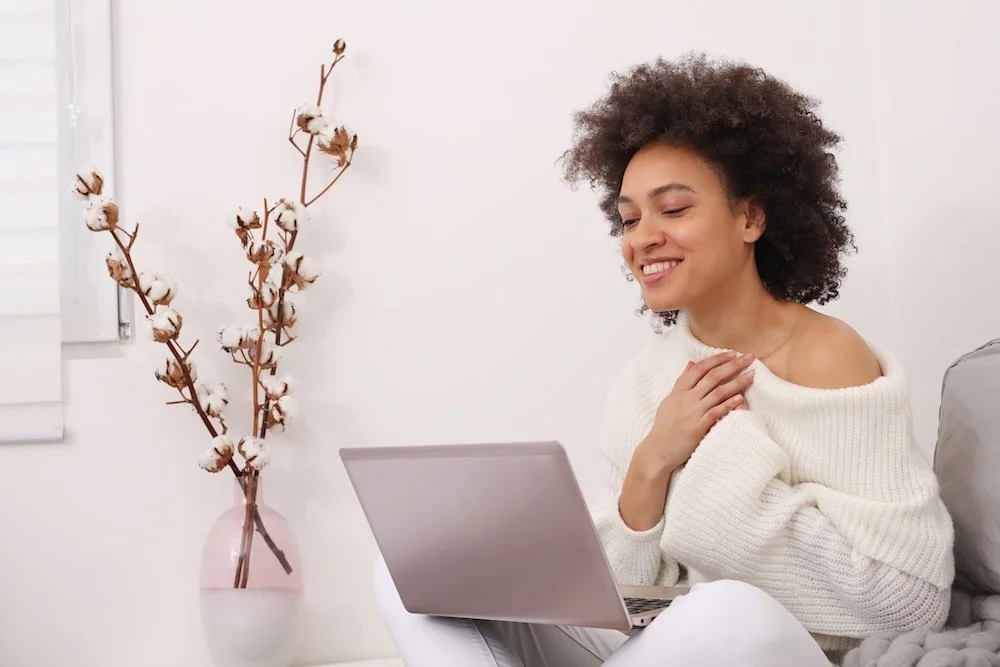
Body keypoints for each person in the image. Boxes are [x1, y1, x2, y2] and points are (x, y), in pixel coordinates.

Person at [372, 52, 956, 666]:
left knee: (725, 608)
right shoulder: (646, 382)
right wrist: (651, 463)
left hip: (779, 646)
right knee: (411, 570)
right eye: (629, 218)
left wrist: (713, 451)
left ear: (751, 216)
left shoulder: (828, 355)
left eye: (673, 209)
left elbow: (907, 601)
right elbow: (624, 592)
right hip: (662, 646)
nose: (642, 236)